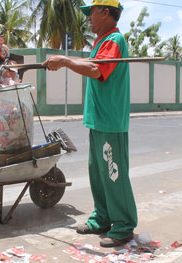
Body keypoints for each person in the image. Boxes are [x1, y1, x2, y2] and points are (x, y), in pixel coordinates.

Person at [43, 0, 137, 247]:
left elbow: (96, 70)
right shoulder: (101, 42)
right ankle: (102, 218)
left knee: (114, 174)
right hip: (98, 118)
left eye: (92, 12)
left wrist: (64, 61)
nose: (89, 18)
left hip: (110, 120)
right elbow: (92, 66)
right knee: (98, 173)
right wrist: (65, 61)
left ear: (105, 12)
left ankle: (124, 224)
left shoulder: (114, 40)